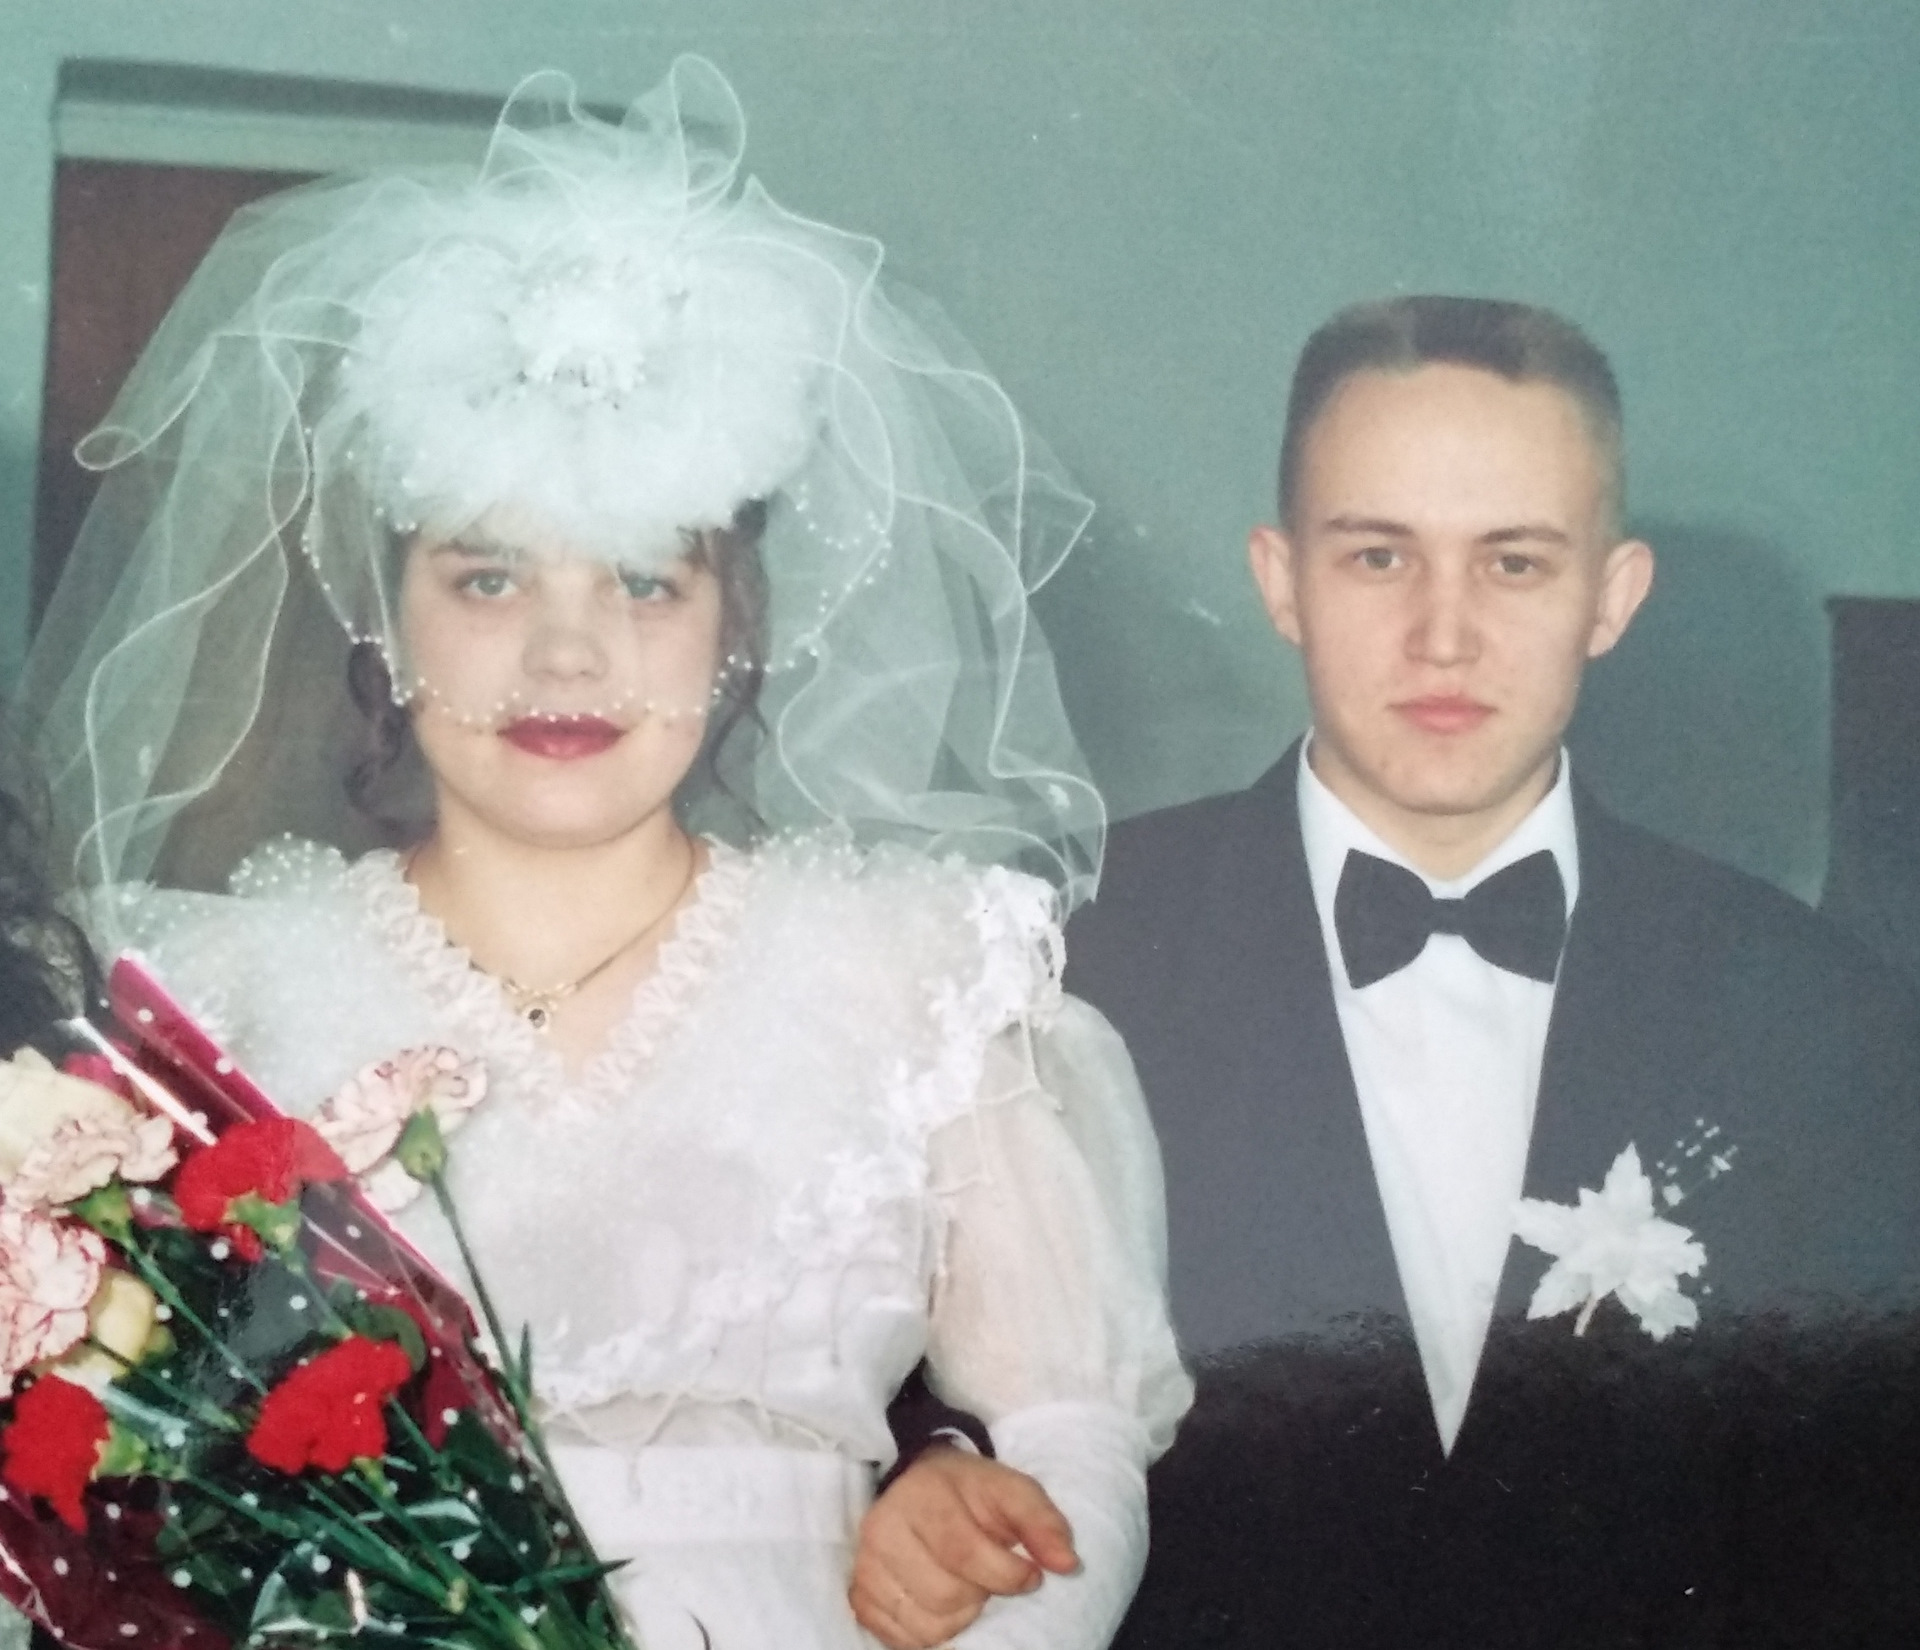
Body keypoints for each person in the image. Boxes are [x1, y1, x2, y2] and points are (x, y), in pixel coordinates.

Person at [17, 59, 1190, 1650]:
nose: (567, 659)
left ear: (733, 620)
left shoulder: (918, 975)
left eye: (643, 582)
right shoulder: (212, 1000)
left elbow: (1075, 1434)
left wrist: (974, 1564)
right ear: (388, 617)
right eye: (488, 580)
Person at [865, 296, 1920, 1646]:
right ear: (1280, 579)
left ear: (1613, 596)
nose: (1443, 633)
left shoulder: (1810, 1006)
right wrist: (932, 1468)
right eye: (1378, 556)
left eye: (1515, 563)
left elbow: (1864, 1534)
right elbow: (890, 1369)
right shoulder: (1060, 958)